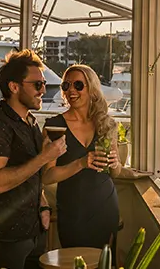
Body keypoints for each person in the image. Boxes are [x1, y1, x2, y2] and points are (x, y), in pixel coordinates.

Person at [0, 50, 67, 269]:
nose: (43, 90)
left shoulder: (30, 122)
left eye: (43, 84)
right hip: (6, 235)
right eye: (37, 85)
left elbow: (31, 175)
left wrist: (43, 206)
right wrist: (44, 157)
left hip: (33, 229)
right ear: (14, 87)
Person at [42, 64, 122, 248]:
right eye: (66, 86)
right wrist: (80, 163)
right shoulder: (54, 126)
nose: (71, 90)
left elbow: (115, 173)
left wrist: (116, 164)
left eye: (78, 85)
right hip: (73, 210)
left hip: (106, 205)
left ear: (92, 89)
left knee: (104, 264)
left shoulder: (107, 124)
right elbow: (47, 176)